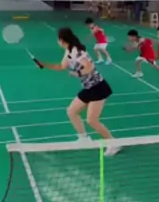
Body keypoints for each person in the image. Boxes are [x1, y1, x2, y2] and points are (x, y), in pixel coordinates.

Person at [37, 27, 119, 155]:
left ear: (62, 40)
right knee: (72, 111)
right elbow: (61, 66)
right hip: (88, 87)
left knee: (92, 120)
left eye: (58, 39)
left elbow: (89, 67)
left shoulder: (77, 52)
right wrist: (44, 64)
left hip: (98, 87)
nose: (57, 42)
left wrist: (77, 73)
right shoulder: (69, 51)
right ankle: (84, 138)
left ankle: (113, 144)